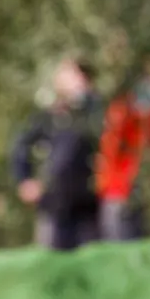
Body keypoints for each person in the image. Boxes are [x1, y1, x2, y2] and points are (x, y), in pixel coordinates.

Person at [11, 57, 104, 251]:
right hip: (54, 202)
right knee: (51, 258)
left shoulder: (97, 111)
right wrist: (25, 179)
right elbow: (21, 145)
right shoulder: (50, 116)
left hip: (89, 203)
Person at [97, 58, 150, 241]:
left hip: (128, 186)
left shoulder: (147, 109)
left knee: (127, 239)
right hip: (118, 186)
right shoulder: (121, 109)